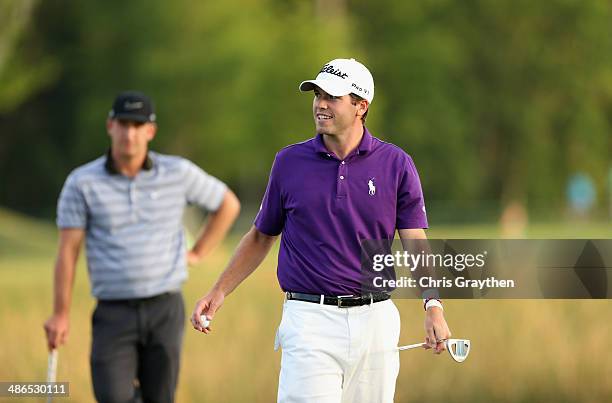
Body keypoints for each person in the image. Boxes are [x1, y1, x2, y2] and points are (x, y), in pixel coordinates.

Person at [190, 59, 451, 402]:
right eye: (317, 95)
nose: (320, 104)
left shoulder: (396, 164)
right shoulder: (289, 162)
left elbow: (415, 241)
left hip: (375, 321)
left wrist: (433, 305)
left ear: (361, 106)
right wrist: (219, 290)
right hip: (309, 319)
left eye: (332, 97)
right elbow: (261, 235)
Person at [44, 91, 240, 403]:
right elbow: (68, 251)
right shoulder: (82, 183)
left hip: (165, 309)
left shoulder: (177, 172)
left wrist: (198, 252)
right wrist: (60, 314)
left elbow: (227, 204)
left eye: (137, 126)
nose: (130, 133)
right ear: (110, 126)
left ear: (150, 131)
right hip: (113, 312)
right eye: (123, 124)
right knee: (113, 396)